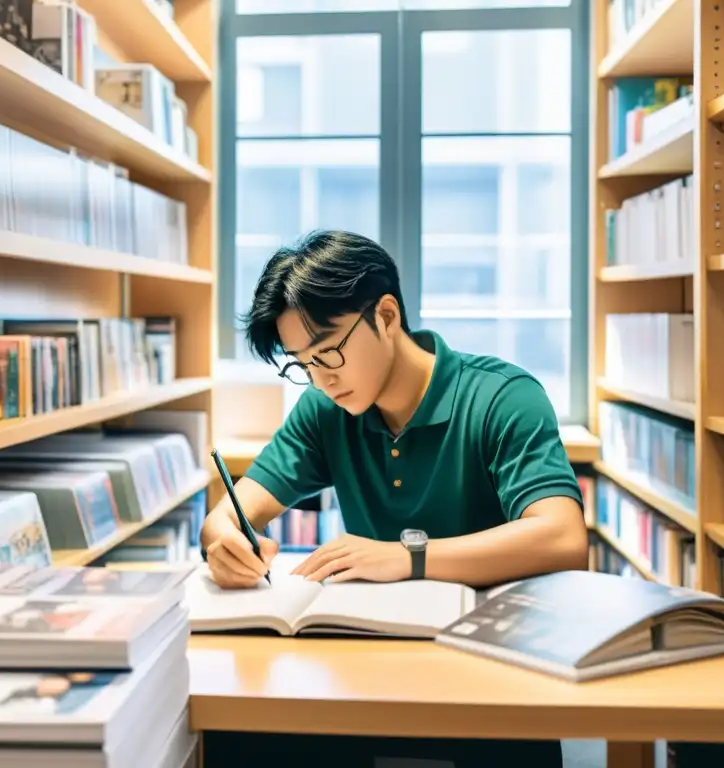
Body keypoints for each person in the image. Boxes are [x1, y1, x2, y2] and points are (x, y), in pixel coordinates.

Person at [198, 230, 588, 768]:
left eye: (329, 349)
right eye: (302, 364)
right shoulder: (325, 411)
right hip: (367, 667)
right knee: (240, 733)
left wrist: (410, 558)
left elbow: (564, 537)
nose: (321, 379)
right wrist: (224, 541)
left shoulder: (502, 397)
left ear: (386, 315)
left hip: (492, 673)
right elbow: (230, 512)